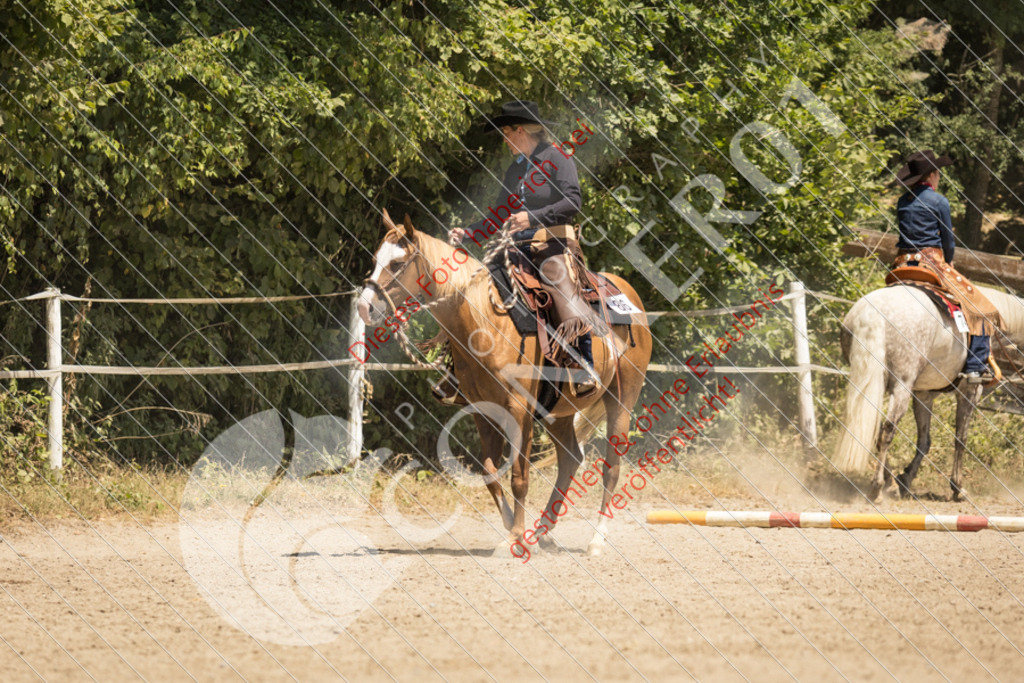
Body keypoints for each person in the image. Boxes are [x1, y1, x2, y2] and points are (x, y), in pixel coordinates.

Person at [442, 100, 600, 401]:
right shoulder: (514, 171)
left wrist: (532, 217)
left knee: (560, 286)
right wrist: (470, 232)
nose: (504, 139)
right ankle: (459, 369)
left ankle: (584, 365)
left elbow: (572, 202)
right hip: (514, 248)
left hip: (551, 244)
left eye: (506, 132)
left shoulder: (558, 158)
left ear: (520, 130)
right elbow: (498, 214)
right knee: (472, 291)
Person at [892, 150, 997, 383]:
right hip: (932, 264)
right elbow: (948, 240)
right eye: (938, 174)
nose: (939, 178)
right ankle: (974, 367)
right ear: (931, 175)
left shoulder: (903, 200)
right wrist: (949, 261)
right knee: (981, 309)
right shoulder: (938, 201)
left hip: (901, 264)